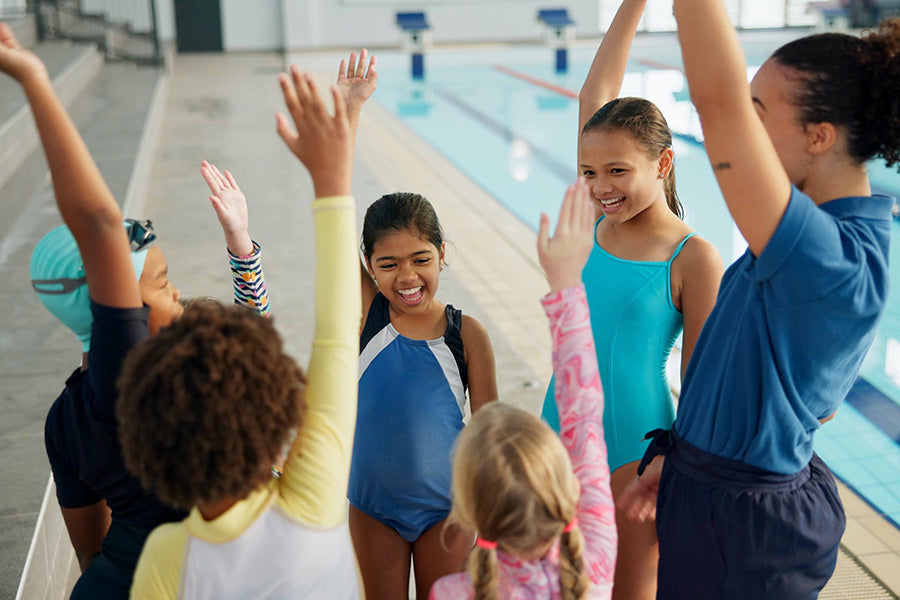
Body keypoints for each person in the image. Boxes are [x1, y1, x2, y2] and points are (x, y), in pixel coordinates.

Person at [620, 8, 900, 599]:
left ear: (819, 137)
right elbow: (800, 399)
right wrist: (695, 457)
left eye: (760, 113)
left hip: (747, 523)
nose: (741, 128)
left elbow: (717, 106)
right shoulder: (835, 239)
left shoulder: (826, 256)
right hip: (723, 494)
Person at [0, 22, 259, 599]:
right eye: (161, 284)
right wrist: (34, 78)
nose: (175, 293)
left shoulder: (66, 414)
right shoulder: (129, 373)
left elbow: (88, 550)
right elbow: (94, 220)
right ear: (113, 303)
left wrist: (242, 246)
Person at [121, 67, 363, 599]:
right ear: (274, 408)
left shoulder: (168, 557)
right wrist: (333, 180)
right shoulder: (314, 498)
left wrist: (241, 245)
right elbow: (339, 333)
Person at [538, 2, 722, 597]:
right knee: (549, 580)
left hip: (637, 445)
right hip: (555, 420)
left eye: (617, 171)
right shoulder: (593, 216)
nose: (599, 186)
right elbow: (598, 90)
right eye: (589, 173)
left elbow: (701, 378)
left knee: (629, 590)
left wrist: (679, 460)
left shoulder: (692, 257)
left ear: (663, 162)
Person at [336, 50, 500, 600]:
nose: (406, 277)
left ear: (441, 254)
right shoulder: (367, 318)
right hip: (373, 507)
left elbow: (491, 434)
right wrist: (350, 114)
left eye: (420, 259)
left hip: (448, 509)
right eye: (388, 264)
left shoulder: (465, 335)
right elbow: (334, 215)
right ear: (368, 267)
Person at [431, 178, 617, 600]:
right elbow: (583, 415)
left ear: (469, 509)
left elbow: (583, 425)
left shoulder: (454, 592)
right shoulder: (596, 557)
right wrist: (566, 282)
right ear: (565, 488)